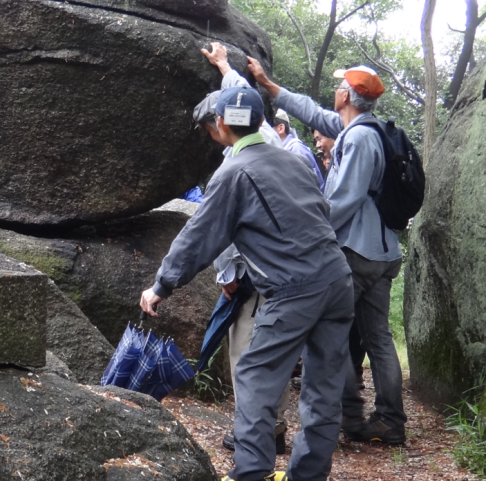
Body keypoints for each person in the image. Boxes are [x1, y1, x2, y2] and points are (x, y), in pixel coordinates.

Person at [141, 86, 354, 481]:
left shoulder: (233, 172)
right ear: (261, 122)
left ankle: (250, 475)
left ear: (219, 125)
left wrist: (161, 285)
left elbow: (200, 236)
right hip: (338, 280)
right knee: (323, 387)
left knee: (256, 379)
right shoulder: (294, 160)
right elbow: (321, 211)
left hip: (293, 288)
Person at [247, 59, 407, 446]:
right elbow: (312, 112)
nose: (333, 93)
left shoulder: (358, 138)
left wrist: (309, 238)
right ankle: (388, 422)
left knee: (332, 336)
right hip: (382, 253)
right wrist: (270, 85)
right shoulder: (361, 127)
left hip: (356, 252)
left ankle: (347, 418)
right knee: (378, 339)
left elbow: (342, 200)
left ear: (347, 96)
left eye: (339, 87)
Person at [192, 91, 291, 455]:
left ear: (218, 123)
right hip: (287, 272)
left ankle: (254, 431)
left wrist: (226, 273)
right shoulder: (274, 147)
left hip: (251, 274)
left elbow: (223, 227)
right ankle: (274, 426)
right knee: (273, 349)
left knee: (245, 352)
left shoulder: (235, 163)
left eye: (209, 126)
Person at [273, 110, 325, 192]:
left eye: (267, 128)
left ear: (281, 128)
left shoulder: (296, 149)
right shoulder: (282, 150)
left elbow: (310, 188)